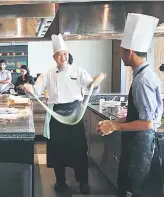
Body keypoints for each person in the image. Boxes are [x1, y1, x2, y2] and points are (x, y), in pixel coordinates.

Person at [23, 34, 105, 194]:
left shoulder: (79, 71)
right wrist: (29, 88)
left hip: (75, 114)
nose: (63, 56)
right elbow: (36, 91)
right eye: (59, 54)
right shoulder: (47, 74)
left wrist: (96, 82)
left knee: (79, 150)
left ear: (68, 54)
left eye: (65, 53)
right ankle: (61, 182)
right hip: (57, 115)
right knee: (57, 150)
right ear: (54, 57)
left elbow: (91, 88)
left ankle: (83, 183)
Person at [97, 13, 163, 197]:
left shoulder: (142, 80)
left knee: (133, 190)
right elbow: (140, 115)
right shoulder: (143, 74)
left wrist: (115, 126)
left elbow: (148, 122)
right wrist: (118, 121)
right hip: (136, 144)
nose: (120, 55)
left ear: (130, 52)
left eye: (121, 51)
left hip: (139, 147)